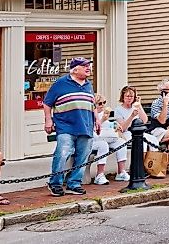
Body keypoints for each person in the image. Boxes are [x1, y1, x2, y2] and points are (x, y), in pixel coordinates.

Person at [43, 57, 98, 197]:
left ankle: (74, 183)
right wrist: (48, 120)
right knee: (62, 153)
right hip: (65, 126)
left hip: (86, 125)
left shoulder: (88, 85)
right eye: (84, 66)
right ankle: (55, 183)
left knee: (83, 156)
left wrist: (97, 120)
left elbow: (93, 104)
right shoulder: (60, 83)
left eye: (89, 65)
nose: (88, 68)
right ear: (74, 69)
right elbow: (47, 103)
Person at [90, 94, 128, 185]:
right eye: (99, 103)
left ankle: (121, 172)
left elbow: (108, 125)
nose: (102, 105)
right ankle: (99, 175)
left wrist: (115, 125)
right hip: (94, 139)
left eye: (104, 102)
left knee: (121, 142)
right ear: (94, 105)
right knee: (103, 145)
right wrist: (102, 120)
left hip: (106, 137)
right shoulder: (91, 114)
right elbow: (92, 130)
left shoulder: (105, 113)